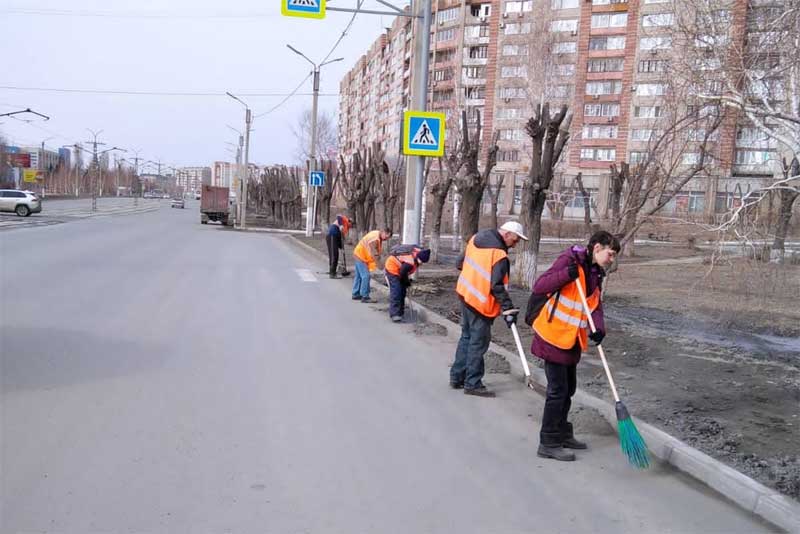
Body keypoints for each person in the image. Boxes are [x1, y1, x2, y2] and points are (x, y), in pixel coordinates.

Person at [527, 230, 619, 461]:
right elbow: (540, 286)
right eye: (611, 253)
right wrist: (565, 275)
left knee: (569, 389)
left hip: (571, 339)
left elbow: (594, 305)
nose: (612, 259)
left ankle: (562, 433)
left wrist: (598, 329)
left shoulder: (595, 272)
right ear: (597, 248)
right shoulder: (569, 261)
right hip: (552, 335)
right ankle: (548, 442)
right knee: (557, 391)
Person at [450, 221, 528, 397]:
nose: (515, 245)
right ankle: (473, 383)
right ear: (507, 234)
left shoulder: (476, 239)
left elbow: (459, 263)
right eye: (515, 240)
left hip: (465, 294)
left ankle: (456, 377)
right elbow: (497, 286)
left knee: (466, 337)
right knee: (478, 343)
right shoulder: (499, 255)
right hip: (480, 303)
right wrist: (508, 308)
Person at [384, 244, 431, 322]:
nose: (422, 263)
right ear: (418, 257)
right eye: (421, 261)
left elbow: (404, 273)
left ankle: (400, 312)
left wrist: (406, 282)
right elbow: (402, 273)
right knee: (396, 291)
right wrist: (406, 282)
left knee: (402, 291)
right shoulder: (410, 262)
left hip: (400, 270)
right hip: (392, 268)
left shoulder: (416, 257)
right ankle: (395, 314)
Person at [352, 228, 392, 303]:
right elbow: (375, 254)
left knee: (359, 276)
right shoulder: (375, 239)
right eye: (387, 236)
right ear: (383, 232)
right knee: (366, 276)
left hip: (358, 254)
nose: (386, 239)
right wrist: (381, 267)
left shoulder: (377, 235)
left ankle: (355, 293)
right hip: (361, 256)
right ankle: (365, 296)